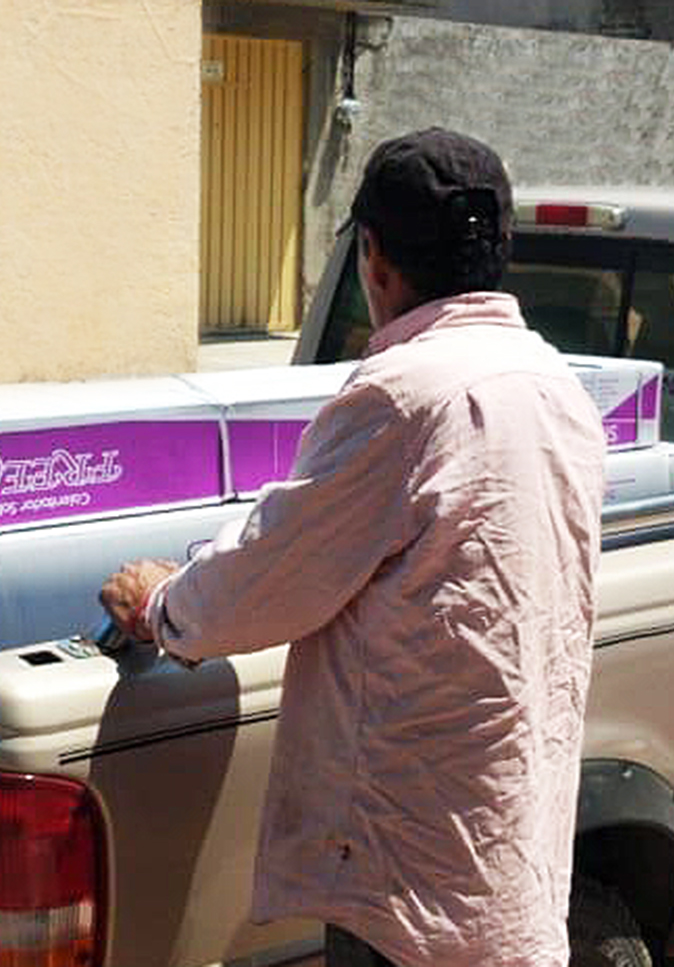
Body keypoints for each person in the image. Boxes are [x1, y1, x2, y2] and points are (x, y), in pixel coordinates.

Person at [101, 128, 607, 967]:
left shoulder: (403, 395)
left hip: (404, 881)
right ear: (500, 248)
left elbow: (267, 580)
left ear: (372, 257)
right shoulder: (557, 385)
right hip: (508, 854)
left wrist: (159, 601)